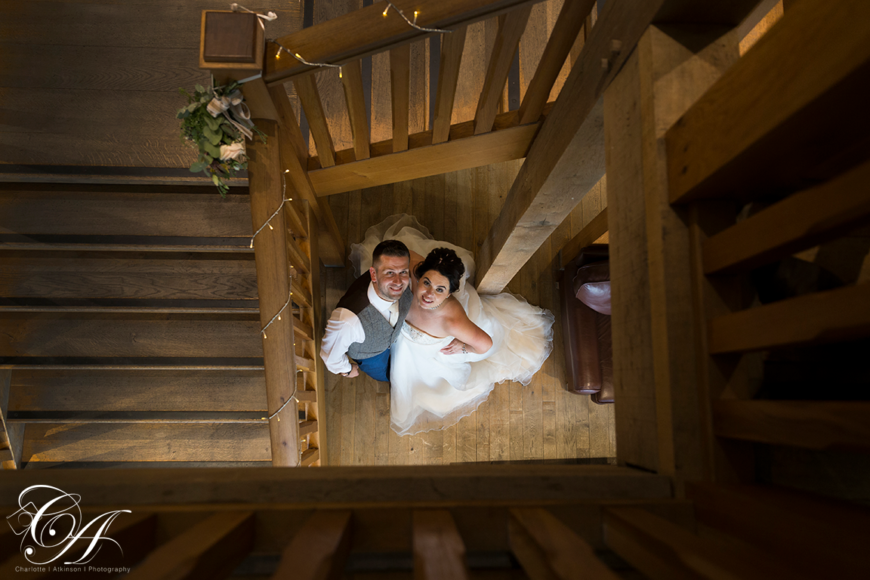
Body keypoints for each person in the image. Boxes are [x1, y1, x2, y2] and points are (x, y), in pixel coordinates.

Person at [350, 215, 555, 436]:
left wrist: (462, 347)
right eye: (427, 283)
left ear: (449, 293)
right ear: (420, 274)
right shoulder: (413, 269)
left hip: (425, 352)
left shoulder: (451, 319)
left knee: (423, 391)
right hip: (401, 335)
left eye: (440, 290)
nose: (428, 294)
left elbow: (486, 343)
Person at [320, 239, 412, 382]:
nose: (398, 281)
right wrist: (347, 370)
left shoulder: (403, 283)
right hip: (371, 357)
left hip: (396, 338)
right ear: (373, 274)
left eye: (403, 272)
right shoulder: (348, 321)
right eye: (390, 273)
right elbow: (329, 356)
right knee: (388, 375)